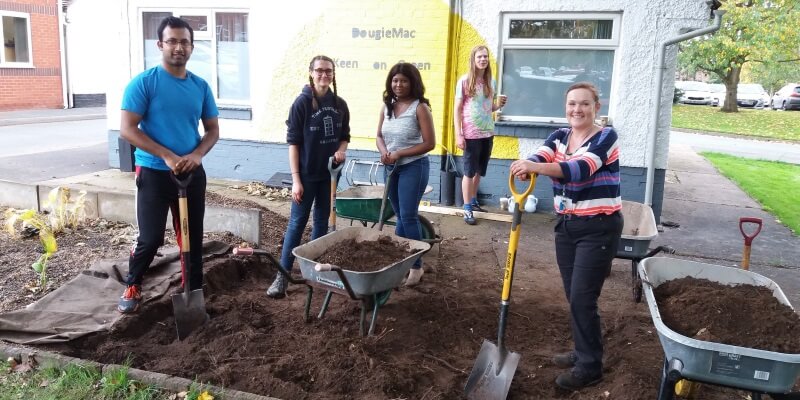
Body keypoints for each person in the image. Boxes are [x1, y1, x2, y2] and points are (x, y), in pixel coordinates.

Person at [509, 82, 623, 390]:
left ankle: (590, 366)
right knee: (575, 296)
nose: (577, 109)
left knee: (583, 298)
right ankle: (584, 350)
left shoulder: (606, 137)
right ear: (566, 107)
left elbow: (580, 169)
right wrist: (526, 166)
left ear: (596, 107)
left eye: (585, 104)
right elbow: (542, 154)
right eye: (572, 104)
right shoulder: (559, 136)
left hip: (599, 226)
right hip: (567, 226)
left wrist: (537, 166)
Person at [118, 16, 220, 313]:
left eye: (185, 42)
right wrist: (166, 155)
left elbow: (212, 129)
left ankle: (193, 290)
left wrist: (197, 155)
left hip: (190, 173)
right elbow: (128, 129)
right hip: (153, 171)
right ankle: (133, 283)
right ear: (160, 44)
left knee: (190, 235)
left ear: (191, 46)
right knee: (150, 239)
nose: (179, 47)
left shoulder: (200, 87)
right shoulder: (144, 83)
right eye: (172, 41)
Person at [267, 55, 350, 299]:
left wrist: (341, 151)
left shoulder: (340, 104)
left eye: (329, 71)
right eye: (320, 70)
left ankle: (316, 274)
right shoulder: (301, 103)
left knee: (322, 223)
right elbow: (293, 143)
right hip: (305, 176)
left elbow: (344, 135)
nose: (324, 75)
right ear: (311, 73)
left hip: (329, 176)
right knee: (296, 223)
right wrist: (296, 179)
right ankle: (282, 276)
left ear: (333, 75)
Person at [376, 63, 435, 286]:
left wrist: (400, 153)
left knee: (408, 216)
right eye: (395, 80)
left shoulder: (420, 108)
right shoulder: (387, 106)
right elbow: (379, 136)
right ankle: (401, 264)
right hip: (390, 167)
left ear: (413, 83)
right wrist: (384, 152)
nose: (398, 85)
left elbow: (430, 143)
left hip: (414, 167)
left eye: (403, 80)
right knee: (400, 216)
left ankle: (416, 267)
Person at [454, 45, 507, 225]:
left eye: (485, 57)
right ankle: (467, 207)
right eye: (479, 57)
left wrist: (498, 105)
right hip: (470, 133)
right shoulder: (464, 80)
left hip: (487, 132)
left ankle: (473, 200)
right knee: (469, 172)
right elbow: (457, 109)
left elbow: (487, 108)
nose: (483, 59)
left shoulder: (490, 82)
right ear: (473, 59)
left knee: (479, 171)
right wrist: (458, 134)